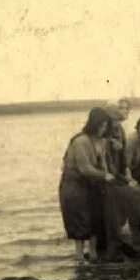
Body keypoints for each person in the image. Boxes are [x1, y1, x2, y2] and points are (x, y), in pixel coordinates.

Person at [58, 107, 115, 262]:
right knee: (80, 220)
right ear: (93, 123)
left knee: (96, 218)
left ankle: (93, 254)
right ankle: (79, 256)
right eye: (100, 125)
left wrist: (108, 175)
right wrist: (104, 176)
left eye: (105, 126)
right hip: (74, 185)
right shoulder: (81, 141)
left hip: (93, 184)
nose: (103, 129)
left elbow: (102, 163)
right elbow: (85, 168)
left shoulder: (102, 141)